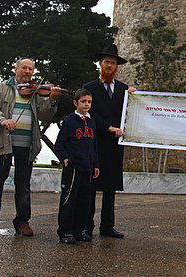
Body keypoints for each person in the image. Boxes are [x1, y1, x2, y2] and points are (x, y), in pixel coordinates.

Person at [0, 58, 62, 237]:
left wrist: (52, 100)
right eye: (24, 68)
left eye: (31, 69)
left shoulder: (35, 91)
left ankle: (22, 222)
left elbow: (44, 115)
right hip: (3, 143)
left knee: (23, 185)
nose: (27, 71)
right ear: (16, 69)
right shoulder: (2, 88)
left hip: (27, 145)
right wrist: (3, 120)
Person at [83, 44, 135, 238]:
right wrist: (107, 127)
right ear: (100, 64)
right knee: (91, 187)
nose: (109, 65)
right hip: (95, 142)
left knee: (110, 187)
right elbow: (90, 112)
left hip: (115, 144)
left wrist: (136, 98)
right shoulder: (89, 87)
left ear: (116, 66)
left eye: (113, 63)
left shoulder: (123, 89)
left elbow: (129, 111)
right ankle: (87, 226)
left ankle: (107, 226)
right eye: (106, 62)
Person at [55, 88, 100, 244]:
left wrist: (96, 164)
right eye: (83, 101)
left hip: (87, 168)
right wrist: (65, 159)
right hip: (73, 168)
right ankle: (65, 232)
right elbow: (60, 144)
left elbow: (94, 145)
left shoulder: (92, 122)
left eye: (89, 102)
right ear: (76, 103)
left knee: (84, 201)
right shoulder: (69, 121)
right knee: (69, 200)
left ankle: (79, 230)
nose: (86, 104)